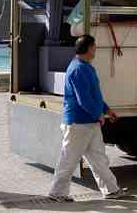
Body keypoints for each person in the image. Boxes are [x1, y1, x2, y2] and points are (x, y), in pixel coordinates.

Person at [48, 34, 128, 202]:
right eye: (94, 46)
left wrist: (106, 110)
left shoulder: (86, 67)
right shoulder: (78, 69)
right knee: (69, 159)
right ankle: (57, 193)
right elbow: (83, 99)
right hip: (78, 123)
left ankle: (111, 190)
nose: (96, 49)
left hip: (89, 123)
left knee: (99, 159)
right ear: (89, 48)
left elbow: (94, 95)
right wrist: (97, 114)